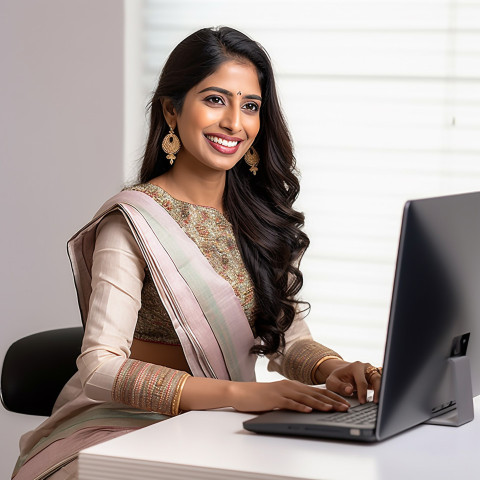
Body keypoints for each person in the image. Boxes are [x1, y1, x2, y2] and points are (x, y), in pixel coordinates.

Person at [12, 26, 382, 480]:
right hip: (119, 426)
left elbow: (288, 341)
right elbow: (99, 368)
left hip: (217, 426)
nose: (234, 123)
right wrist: (241, 394)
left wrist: (334, 368)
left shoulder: (262, 220)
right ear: (172, 109)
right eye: (215, 100)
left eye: (250, 106)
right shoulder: (132, 221)